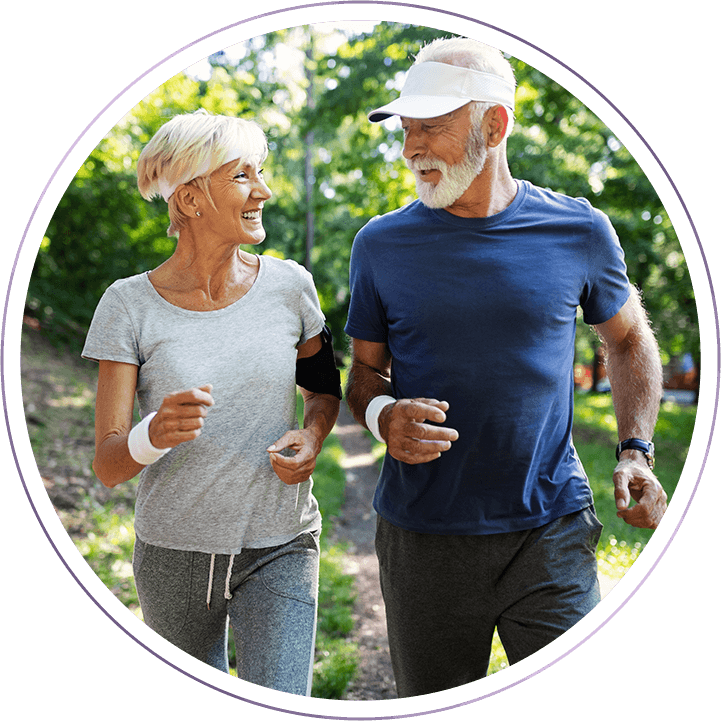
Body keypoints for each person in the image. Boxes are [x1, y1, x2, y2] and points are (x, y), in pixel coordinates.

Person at [344, 37, 668, 697]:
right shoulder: (379, 244)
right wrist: (382, 418)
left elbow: (629, 339)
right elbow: (363, 377)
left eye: (429, 126)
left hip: (548, 528)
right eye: (405, 129)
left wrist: (634, 449)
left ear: (494, 125)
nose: (410, 147)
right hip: (422, 536)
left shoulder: (579, 230)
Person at [82, 109, 341, 696]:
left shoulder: (290, 286)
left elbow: (324, 387)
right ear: (192, 200)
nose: (264, 192)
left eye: (262, 174)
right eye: (243, 176)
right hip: (174, 550)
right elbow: (107, 463)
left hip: (283, 541)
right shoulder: (128, 307)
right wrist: (155, 432)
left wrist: (315, 434)